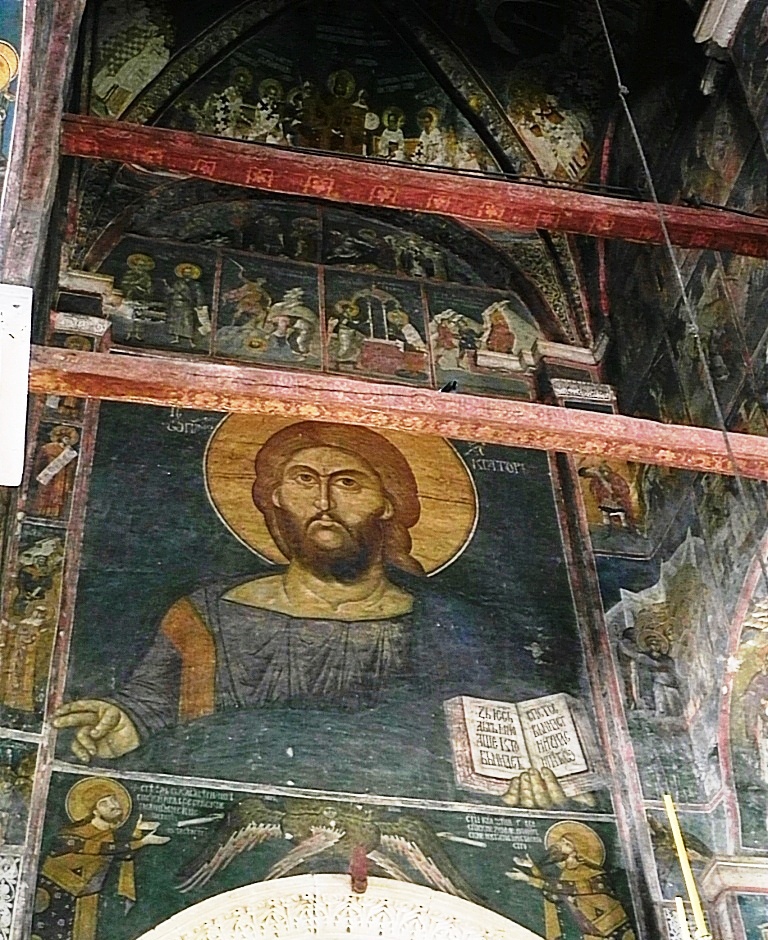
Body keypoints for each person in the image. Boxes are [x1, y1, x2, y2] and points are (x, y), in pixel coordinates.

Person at [54, 421, 579, 809]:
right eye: (304, 480)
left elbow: (512, 739)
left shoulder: (459, 626)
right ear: (276, 497)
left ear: (387, 503)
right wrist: (123, 723)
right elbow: (151, 706)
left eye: (349, 483)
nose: (324, 501)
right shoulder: (206, 615)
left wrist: (536, 785)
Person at [34, 778, 168, 940]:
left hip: (87, 898)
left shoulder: (111, 838)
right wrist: (141, 842)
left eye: (114, 800)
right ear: (94, 811)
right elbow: (98, 848)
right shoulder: (71, 834)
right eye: (104, 803)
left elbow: (123, 855)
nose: (113, 806)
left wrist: (137, 833)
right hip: (56, 894)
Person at [506, 821, 635, 940]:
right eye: (561, 841)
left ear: (576, 852)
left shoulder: (592, 872)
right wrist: (532, 868)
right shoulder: (567, 874)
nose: (560, 846)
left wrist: (528, 879)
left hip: (613, 927)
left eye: (567, 844)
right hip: (592, 932)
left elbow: (569, 888)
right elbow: (555, 894)